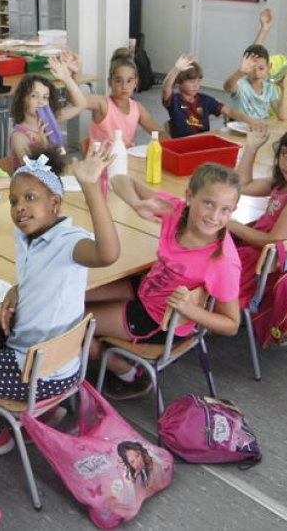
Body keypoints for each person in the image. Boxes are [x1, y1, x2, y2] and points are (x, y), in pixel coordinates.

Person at [0, 145, 121, 460]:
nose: (20, 207)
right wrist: (20, 289)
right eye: (14, 200)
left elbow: (108, 254)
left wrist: (91, 188)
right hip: (56, 366)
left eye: (30, 198)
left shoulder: (69, 242)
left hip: (37, 373)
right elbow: (44, 274)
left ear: (55, 203)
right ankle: (45, 415)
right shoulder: (29, 238)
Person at [86, 163, 244, 399]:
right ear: (189, 197)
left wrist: (190, 310)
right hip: (146, 290)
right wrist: (136, 202)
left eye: (225, 210)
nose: (214, 216)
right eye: (208, 203)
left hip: (156, 320)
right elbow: (121, 179)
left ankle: (128, 372)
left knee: (72, 318)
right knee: (75, 295)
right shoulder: (176, 210)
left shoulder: (223, 262)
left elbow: (231, 324)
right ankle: (97, 347)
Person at [227, 122, 287, 307]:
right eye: (284, 154)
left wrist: (233, 225)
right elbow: (243, 185)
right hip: (253, 256)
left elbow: (271, 241)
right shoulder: (283, 184)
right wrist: (251, 148)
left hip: (258, 268)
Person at [9, 57, 87, 168]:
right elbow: (31, 169)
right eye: (34, 96)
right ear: (22, 99)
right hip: (32, 183)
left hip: (54, 179)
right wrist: (44, 146)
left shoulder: (50, 121)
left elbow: (81, 105)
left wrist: (67, 79)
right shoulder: (19, 136)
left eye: (45, 97)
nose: (41, 102)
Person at [161, 53, 260, 138]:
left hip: (203, 143)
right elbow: (166, 89)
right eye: (191, 81)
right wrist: (176, 69)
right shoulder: (174, 100)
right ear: (178, 83)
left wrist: (250, 121)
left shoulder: (205, 100)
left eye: (199, 81)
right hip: (182, 146)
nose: (196, 85)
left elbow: (229, 110)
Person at [84, 48, 163, 148]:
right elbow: (78, 100)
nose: (124, 86)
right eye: (118, 80)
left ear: (136, 82)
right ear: (110, 82)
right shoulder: (102, 104)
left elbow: (158, 132)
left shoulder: (137, 108)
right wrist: (72, 77)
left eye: (129, 81)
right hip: (101, 161)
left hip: (125, 158)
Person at [223, 45, 287, 121]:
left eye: (261, 68)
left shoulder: (269, 88)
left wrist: (284, 88)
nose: (257, 73)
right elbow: (227, 87)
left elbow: (282, 116)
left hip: (260, 129)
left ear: (268, 67)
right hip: (241, 129)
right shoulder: (241, 84)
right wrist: (240, 72)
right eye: (251, 68)